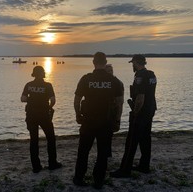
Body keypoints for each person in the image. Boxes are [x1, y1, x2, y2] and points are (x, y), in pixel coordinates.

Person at [73, 52, 124, 189]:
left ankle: (78, 178)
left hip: (88, 121)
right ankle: (98, 181)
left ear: (93, 62)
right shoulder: (114, 81)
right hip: (106, 122)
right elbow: (119, 103)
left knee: (83, 151)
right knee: (102, 154)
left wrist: (78, 115)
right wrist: (117, 121)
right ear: (105, 61)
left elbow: (77, 100)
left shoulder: (85, 79)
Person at [110, 54, 157, 178]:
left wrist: (135, 113)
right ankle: (144, 165)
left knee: (131, 141)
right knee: (145, 139)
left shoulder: (140, 76)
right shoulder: (151, 74)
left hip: (141, 112)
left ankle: (125, 169)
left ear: (136, 62)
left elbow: (140, 97)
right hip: (150, 110)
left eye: (133, 63)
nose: (132, 66)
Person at [21, 66, 62, 173]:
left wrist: (32, 99)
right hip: (44, 115)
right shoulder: (47, 85)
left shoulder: (29, 85)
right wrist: (49, 107)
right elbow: (53, 100)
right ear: (43, 74)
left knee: (34, 140)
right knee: (50, 139)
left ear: (33, 74)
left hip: (31, 115)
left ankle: (36, 166)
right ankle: (52, 163)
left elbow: (23, 98)